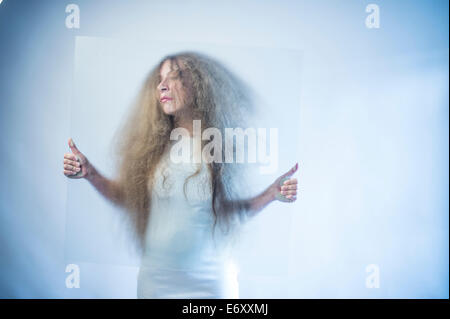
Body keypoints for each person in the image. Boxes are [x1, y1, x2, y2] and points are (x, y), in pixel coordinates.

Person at [62, 52, 299, 298]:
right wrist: (90, 173)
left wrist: (271, 194)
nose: (162, 86)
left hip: (211, 280)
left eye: (174, 77)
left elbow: (229, 212)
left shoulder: (219, 145)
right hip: (157, 280)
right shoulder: (152, 149)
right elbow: (127, 199)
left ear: (199, 85)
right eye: (159, 79)